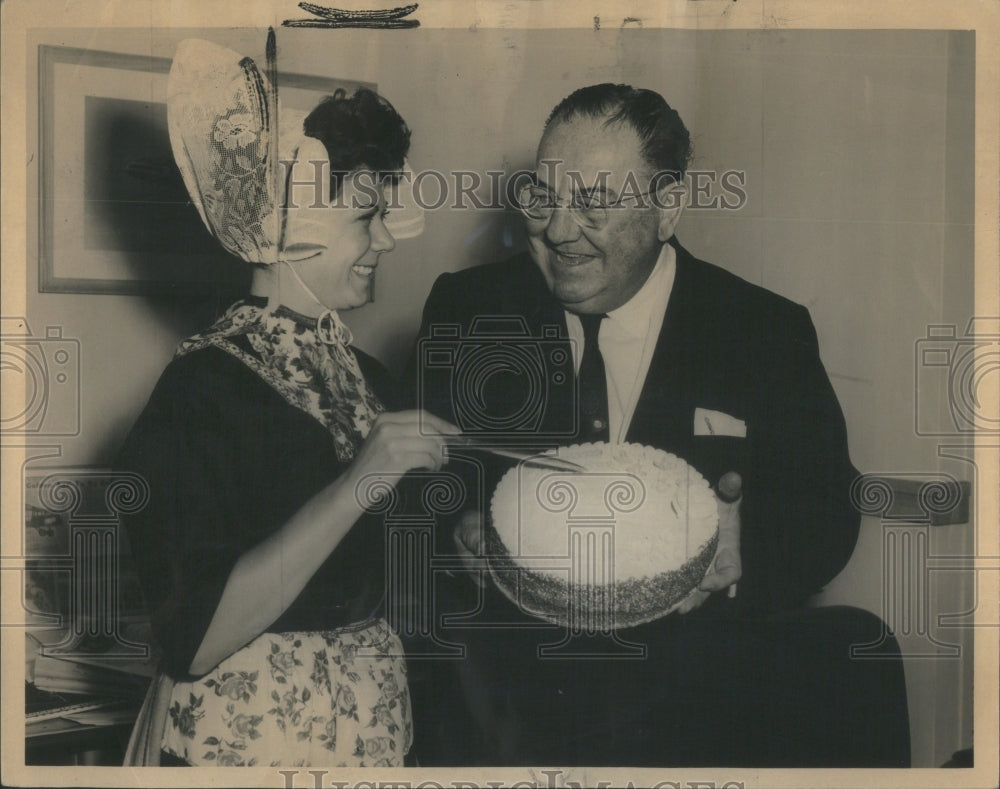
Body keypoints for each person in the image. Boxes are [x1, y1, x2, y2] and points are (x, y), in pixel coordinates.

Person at [404, 84, 911, 766]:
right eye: (545, 196)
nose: (557, 229)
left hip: (693, 690)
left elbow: (826, 507)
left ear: (667, 207)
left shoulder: (762, 329)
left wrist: (742, 557)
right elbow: (416, 487)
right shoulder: (467, 311)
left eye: (594, 202)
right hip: (514, 689)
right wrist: (454, 530)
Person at [116, 38, 457, 767]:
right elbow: (196, 634)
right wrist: (361, 482)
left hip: (366, 733)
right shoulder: (203, 386)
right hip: (250, 746)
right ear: (286, 220)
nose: (385, 242)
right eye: (365, 217)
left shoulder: (369, 378)